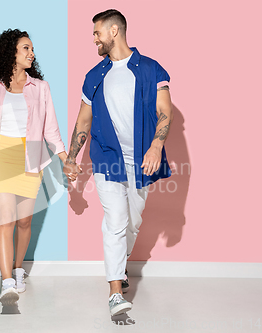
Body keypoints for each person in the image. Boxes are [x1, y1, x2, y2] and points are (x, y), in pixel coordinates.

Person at [63, 9, 173, 316]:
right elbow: (83, 120)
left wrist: (156, 145)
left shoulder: (151, 69)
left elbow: (166, 111)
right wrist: (72, 157)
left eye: (97, 33)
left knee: (132, 223)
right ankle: (114, 290)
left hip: (140, 161)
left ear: (114, 31)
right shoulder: (94, 75)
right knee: (115, 222)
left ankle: (119, 268)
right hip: (107, 159)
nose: (94, 39)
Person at [0, 29, 67, 306]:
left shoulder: (41, 88)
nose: (31, 53)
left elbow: (51, 128)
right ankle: (7, 280)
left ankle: (19, 269)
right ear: (10, 51)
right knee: (5, 221)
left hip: (30, 160)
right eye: (25, 48)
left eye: (32, 48)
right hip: (1, 159)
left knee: (24, 222)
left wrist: (63, 156)